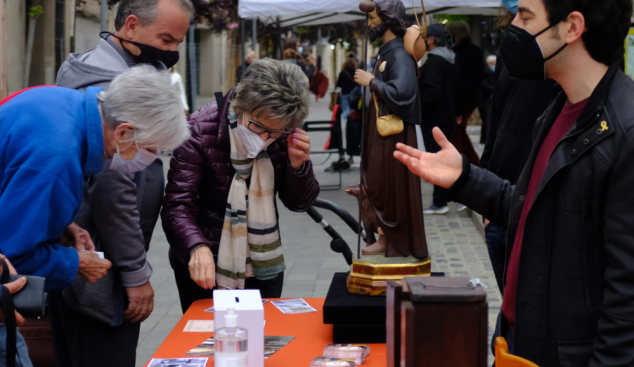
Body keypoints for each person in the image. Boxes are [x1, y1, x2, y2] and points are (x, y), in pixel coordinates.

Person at [394, 0, 634, 364]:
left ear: (572, 27)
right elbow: (535, 210)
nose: (514, 27)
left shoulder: (624, 132)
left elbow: (626, 298)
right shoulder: (558, 109)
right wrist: (465, 176)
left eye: (526, 16)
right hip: (520, 343)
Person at [0, 65, 190, 365]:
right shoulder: (58, 155)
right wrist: (74, 262)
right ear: (124, 132)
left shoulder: (62, 102)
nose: (147, 161)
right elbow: (10, 258)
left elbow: (14, 190)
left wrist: (63, 226)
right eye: (150, 150)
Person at [51, 1, 193, 366]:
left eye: (179, 42)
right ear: (131, 27)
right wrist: (135, 274)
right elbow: (113, 190)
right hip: (99, 274)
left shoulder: (85, 67)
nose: (173, 52)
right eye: (166, 39)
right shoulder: (114, 91)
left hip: (80, 259)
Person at [162, 59, 320, 313]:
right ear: (242, 105)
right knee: (209, 340)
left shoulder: (284, 132)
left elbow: (299, 203)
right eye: (259, 127)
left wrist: (298, 167)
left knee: (262, 338)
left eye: (277, 132)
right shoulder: (198, 131)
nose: (265, 139)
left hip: (262, 263)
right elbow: (177, 205)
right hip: (206, 265)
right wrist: (196, 247)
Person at [480, 6, 556, 294]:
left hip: (535, 209)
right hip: (500, 201)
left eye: (525, 16)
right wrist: (485, 196)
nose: (514, 24)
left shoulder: (561, 66)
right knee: (510, 315)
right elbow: (497, 120)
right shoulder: (510, 51)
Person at [353, 0, 427, 258]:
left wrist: (371, 81)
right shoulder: (388, 52)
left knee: (388, 187)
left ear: (387, 19)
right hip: (382, 133)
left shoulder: (398, 55)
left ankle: (392, 239)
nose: (370, 23)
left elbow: (403, 94)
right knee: (379, 184)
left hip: (392, 135)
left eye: (373, 18)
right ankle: (385, 236)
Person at [418, 24, 458, 215]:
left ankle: (439, 201)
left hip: (436, 120)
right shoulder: (448, 59)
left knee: (438, 161)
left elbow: (432, 92)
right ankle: (444, 198)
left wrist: (420, 109)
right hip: (444, 117)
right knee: (443, 160)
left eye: (424, 38)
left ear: (431, 39)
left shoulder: (435, 62)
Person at [446, 20, 486, 168]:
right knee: (460, 130)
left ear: (457, 35)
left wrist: (462, 89)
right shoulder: (460, 50)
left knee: (457, 129)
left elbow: (477, 75)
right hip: (465, 96)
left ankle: (459, 164)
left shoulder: (468, 51)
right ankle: (473, 163)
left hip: (466, 98)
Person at [336, 58, 358, 123]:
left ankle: (345, 122)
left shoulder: (342, 73)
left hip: (345, 93)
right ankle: (350, 123)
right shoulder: (356, 73)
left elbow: (338, 84)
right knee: (352, 110)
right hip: (353, 95)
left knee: (344, 110)